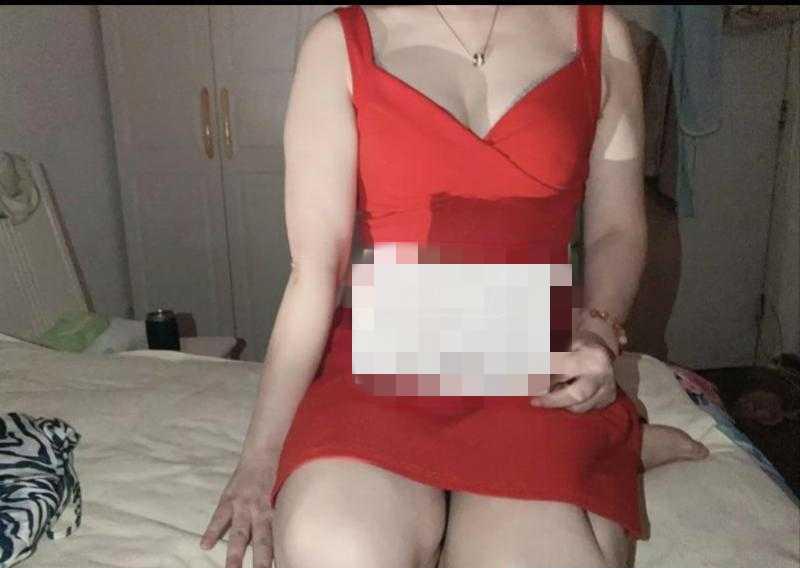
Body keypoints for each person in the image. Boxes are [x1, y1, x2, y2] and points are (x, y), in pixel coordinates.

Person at [199, 5, 709, 568]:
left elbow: (617, 230)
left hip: (535, 363)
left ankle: (618, 443)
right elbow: (314, 272)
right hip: (389, 362)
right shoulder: (340, 43)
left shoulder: (596, 34)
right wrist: (260, 454)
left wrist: (599, 332)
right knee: (337, 550)